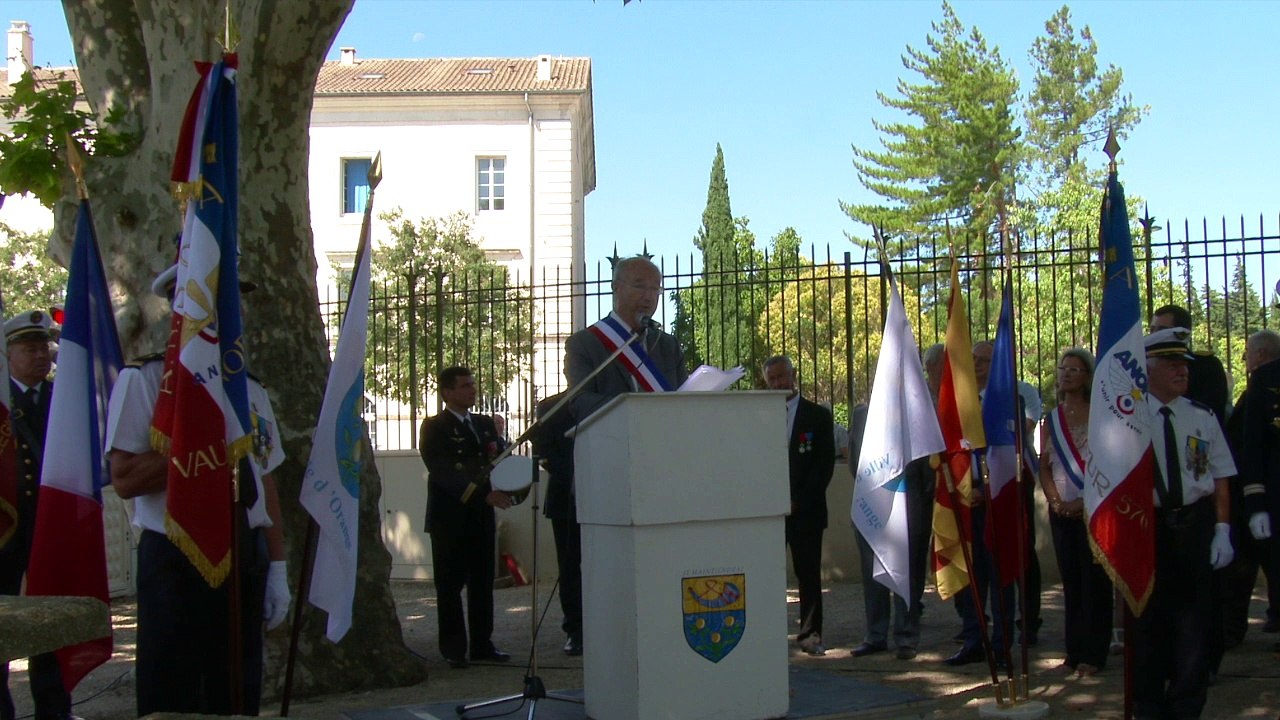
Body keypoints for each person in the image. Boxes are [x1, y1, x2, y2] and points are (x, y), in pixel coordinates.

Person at [104, 266, 289, 716]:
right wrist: (200, 443)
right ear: (181, 306)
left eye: (236, 300)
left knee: (236, 688)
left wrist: (278, 566)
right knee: (174, 690)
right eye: (218, 299)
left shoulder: (250, 389)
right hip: (175, 553)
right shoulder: (146, 381)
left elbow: (265, 481)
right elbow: (125, 478)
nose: (232, 311)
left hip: (242, 549)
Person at [1133, 327, 1236, 719]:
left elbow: (1221, 476)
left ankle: (1187, 704)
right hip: (1147, 526)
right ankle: (1148, 702)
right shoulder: (1130, 419)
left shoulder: (1201, 416)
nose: (1183, 371)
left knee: (1194, 622)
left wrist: (1223, 530)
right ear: (1149, 369)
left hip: (1194, 526)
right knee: (1148, 621)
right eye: (1173, 364)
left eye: (1185, 365)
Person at [1, 311, 74, 720]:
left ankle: (54, 706)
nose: (40, 356)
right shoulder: (1, 402)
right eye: (29, 349)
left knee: (51, 617)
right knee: (3, 615)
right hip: (7, 526)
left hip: (52, 522)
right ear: (8, 354)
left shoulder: (62, 397)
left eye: (44, 348)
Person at [419, 366, 513, 669]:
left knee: (482, 583)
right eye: (464, 386)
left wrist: (513, 487)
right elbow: (443, 472)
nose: (471, 390)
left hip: (480, 518)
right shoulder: (435, 427)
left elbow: (499, 459)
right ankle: (453, 648)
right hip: (450, 518)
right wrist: (482, 495)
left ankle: (482, 644)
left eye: (473, 384)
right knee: (449, 585)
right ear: (447, 392)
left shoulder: (485, 424)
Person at [1038, 348, 1112, 678]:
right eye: (1063, 368)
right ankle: (1074, 649)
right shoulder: (1050, 419)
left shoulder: (1101, 415)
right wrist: (1055, 501)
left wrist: (1081, 503)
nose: (1066, 373)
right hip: (1060, 511)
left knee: (1094, 580)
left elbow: (1109, 464)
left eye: (1075, 368)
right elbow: (1043, 466)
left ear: (1087, 377)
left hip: (1093, 508)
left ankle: (1094, 652)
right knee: (1071, 580)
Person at [847, 402, 934, 661]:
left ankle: (907, 636)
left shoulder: (919, 413)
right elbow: (855, 463)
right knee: (872, 575)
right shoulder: (863, 414)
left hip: (910, 503)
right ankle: (875, 635)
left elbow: (928, 467)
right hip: (872, 504)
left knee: (908, 574)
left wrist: (920, 501)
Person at [763, 355, 835, 656]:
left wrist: (798, 501)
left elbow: (824, 466)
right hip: (768, 513)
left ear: (794, 376)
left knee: (807, 575)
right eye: (774, 379)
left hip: (805, 511)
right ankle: (765, 634)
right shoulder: (759, 415)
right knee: (765, 573)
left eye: (784, 376)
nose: (780, 383)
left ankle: (810, 634)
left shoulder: (817, 416)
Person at [563, 256, 687, 419]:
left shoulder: (668, 345)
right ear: (616, 288)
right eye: (640, 286)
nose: (648, 296)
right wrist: (633, 409)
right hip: (612, 439)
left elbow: (684, 399)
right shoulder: (584, 343)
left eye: (655, 288)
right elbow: (581, 402)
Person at [1217, 329, 1278, 652]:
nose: (1245, 360)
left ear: (1262, 354)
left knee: (1247, 569)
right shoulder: (1261, 385)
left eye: (1248, 354)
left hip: (1261, 494)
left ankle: (1235, 628)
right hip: (1258, 494)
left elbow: (1251, 446)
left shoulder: (1264, 383)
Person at [530, 392, 583, 656]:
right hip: (567, 499)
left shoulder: (612, 399)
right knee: (571, 567)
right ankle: (576, 630)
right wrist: (577, 477)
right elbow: (543, 450)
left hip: (610, 496)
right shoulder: (551, 407)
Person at [1150, 304, 1230, 423]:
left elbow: (1212, 413)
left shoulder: (1206, 366)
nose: (1155, 335)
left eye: (1161, 330)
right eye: (1152, 330)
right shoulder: (1142, 363)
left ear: (1181, 332)